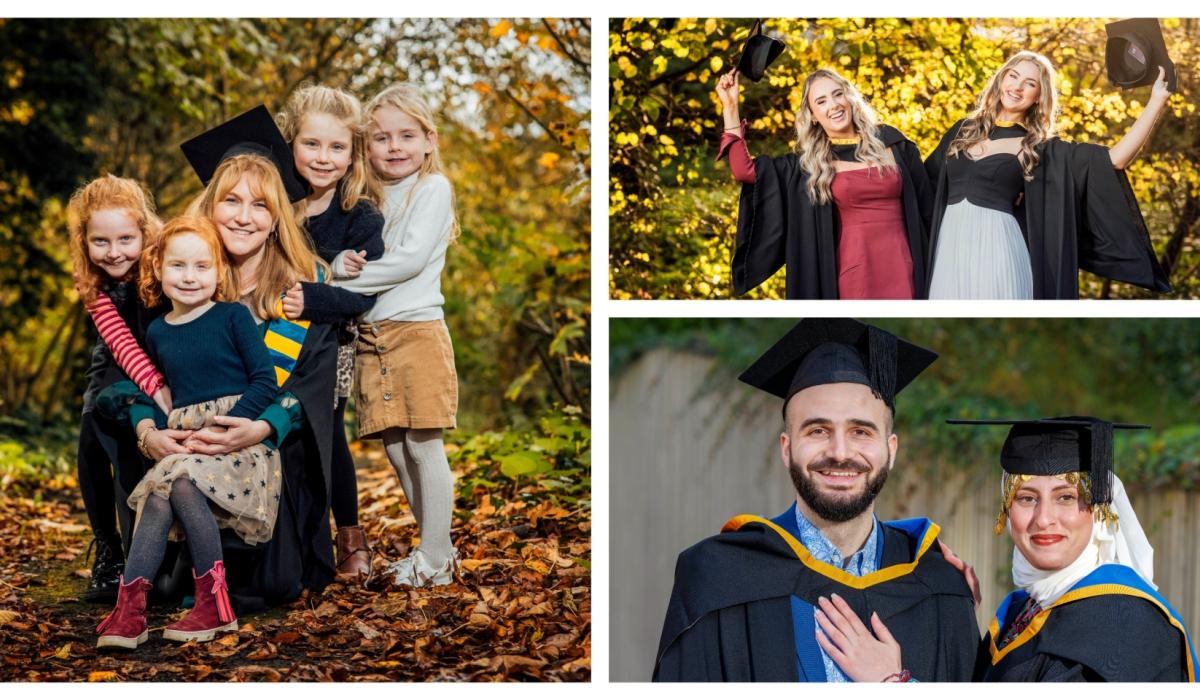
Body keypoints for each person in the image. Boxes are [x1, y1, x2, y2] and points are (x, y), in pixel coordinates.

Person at [653, 319, 979, 682]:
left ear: (891, 450)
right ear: (787, 449)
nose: (840, 452)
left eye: (861, 431)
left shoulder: (939, 584)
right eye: (818, 430)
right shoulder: (716, 575)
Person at [97, 215, 274, 649]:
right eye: (178, 266)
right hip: (187, 446)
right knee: (161, 493)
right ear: (158, 270)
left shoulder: (232, 316)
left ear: (218, 272)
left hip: (238, 444)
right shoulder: (157, 331)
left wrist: (223, 427)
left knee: (176, 482)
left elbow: (265, 382)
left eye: (201, 266)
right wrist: (158, 430)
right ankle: (131, 608)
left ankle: (213, 603)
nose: (190, 277)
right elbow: (157, 393)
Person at [947, 417, 1198, 681]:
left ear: (1099, 509)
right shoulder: (1023, 610)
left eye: (1066, 497)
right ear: (1006, 512)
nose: (1044, 519)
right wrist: (956, 612)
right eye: (1027, 498)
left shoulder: (1123, 621)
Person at [333, 83, 460, 587]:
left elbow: (405, 262)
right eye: (382, 137)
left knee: (424, 444)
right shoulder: (367, 197)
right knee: (394, 447)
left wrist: (328, 279)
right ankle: (436, 551)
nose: (394, 146)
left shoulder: (434, 189)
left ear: (429, 140)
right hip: (370, 335)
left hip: (417, 330)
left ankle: (434, 558)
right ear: (366, 146)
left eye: (407, 135)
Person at [925, 50, 1172, 299]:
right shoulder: (961, 131)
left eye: (1030, 83)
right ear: (1001, 79)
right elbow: (922, 188)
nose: (1017, 87)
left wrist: (1156, 100)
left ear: (1038, 96)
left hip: (998, 252)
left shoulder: (1039, 148)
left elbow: (1115, 160)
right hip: (949, 251)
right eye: (1014, 76)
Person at [277, 84, 385, 579]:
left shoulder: (358, 216)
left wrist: (311, 298)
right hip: (266, 339)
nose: (323, 157)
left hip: (326, 346)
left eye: (337, 147)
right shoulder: (272, 205)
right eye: (312, 144)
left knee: (327, 435)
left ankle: (350, 535)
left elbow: (365, 296)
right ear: (290, 144)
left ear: (352, 155)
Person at [716, 68, 934, 299]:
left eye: (838, 94)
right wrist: (730, 108)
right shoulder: (809, 165)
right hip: (854, 271)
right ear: (812, 115)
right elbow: (745, 171)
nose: (833, 105)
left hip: (907, 262)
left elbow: (928, 209)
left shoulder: (893, 144)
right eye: (821, 101)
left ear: (850, 98)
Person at [67, 174, 169, 602]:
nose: (114, 252)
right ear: (85, 241)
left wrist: (164, 387)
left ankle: (145, 551)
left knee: (134, 448)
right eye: (101, 242)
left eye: (126, 238)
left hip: (163, 350)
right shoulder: (92, 279)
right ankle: (108, 548)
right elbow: (121, 344)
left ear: (144, 231)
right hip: (115, 357)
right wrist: (156, 388)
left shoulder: (164, 260)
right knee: (92, 439)